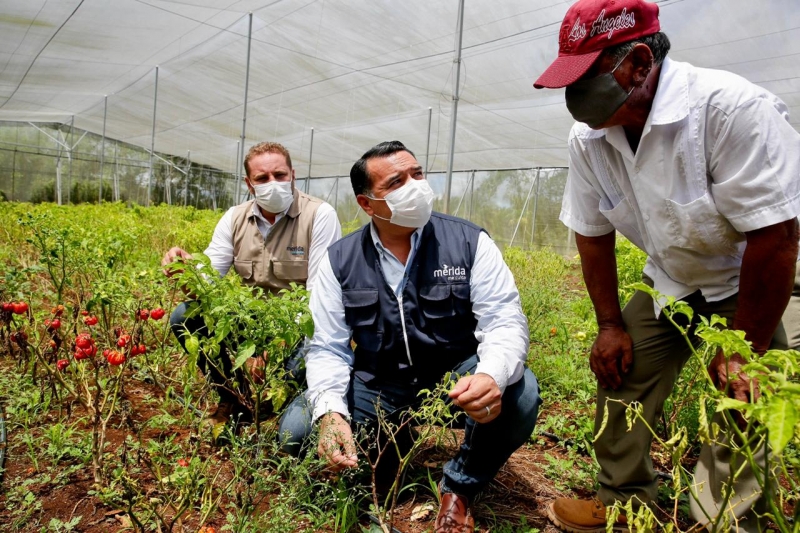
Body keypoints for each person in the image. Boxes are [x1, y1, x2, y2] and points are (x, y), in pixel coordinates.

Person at [533, 0, 800, 531]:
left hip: (747, 277)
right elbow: (592, 234)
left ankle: (726, 515)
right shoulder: (590, 138)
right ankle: (625, 501)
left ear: (636, 63)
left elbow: (775, 238)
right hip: (672, 279)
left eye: (586, 76)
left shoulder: (730, 110)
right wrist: (609, 324)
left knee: (745, 397)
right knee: (620, 375)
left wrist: (742, 345)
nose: (574, 96)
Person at [278, 141, 541, 532]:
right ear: (368, 204)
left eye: (417, 174)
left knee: (520, 395)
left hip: (455, 381)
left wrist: (489, 375)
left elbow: (504, 320)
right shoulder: (340, 260)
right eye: (397, 181)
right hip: (378, 384)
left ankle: (459, 488)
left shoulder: (468, 242)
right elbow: (328, 347)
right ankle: (390, 443)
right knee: (297, 434)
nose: (415, 186)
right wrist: (332, 412)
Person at [162, 141, 342, 428]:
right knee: (185, 315)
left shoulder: (319, 216)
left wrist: (278, 344)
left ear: (293, 175)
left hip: (300, 325)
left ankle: (276, 406)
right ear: (249, 183)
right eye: (262, 178)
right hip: (253, 321)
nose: (273, 183)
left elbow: (318, 298)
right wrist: (185, 272)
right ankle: (232, 397)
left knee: (307, 353)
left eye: (280, 175)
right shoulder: (234, 218)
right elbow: (207, 286)